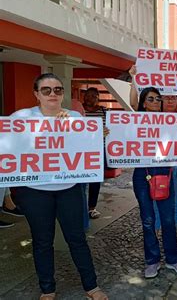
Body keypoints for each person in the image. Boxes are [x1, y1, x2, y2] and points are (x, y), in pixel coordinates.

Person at [12, 73, 107, 300]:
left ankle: (91, 287)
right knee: (42, 241)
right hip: (35, 191)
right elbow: (11, 144)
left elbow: (88, 145)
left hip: (69, 189)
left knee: (77, 238)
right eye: (46, 90)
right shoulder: (22, 117)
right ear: (37, 94)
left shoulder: (75, 116)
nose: (53, 94)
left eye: (57, 90)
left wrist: (96, 135)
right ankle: (47, 289)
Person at [131, 87, 177, 278]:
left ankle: (173, 259)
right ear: (143, 102)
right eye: (151, 99)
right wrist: (109, 133)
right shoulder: (134, 121)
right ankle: (152, 261)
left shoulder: (171, 121)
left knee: (168, 218)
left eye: (158, 98)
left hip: (165, 173)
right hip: (142, 175)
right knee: (148, 220)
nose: (156, 102)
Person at [82, 87, 108, 219]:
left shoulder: (104, 111)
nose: (89, 98)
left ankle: (92, 208)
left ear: (98, 98)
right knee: (80, 181)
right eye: (87, 95)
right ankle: (80, 207)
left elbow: (112, 128)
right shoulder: (78, 111)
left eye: (93, 96)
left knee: (95, 180)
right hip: (81, 151)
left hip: (99, 151)